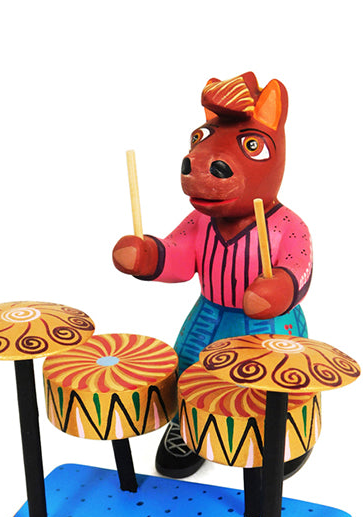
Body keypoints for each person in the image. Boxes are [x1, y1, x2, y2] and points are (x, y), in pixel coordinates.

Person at [113, 72, 312, 478]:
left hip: (272, 325)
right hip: (210, 314)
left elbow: (300, 266)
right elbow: (177, 254)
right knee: (190, 369)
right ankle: (190, 428)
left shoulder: (288, 225)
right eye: (201, 139)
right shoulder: (200, 221)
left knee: (273, 383)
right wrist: (148, 256)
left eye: (251, 145)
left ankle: (281, 434)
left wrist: (280, 288)